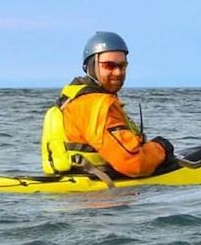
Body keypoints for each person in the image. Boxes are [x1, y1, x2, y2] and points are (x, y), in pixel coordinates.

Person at [41, 31, 174, 180]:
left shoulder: (72, 100)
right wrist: (161, 148)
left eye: (122, 66)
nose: (117, 72)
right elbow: (134, 164)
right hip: (103, 199)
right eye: (109, 65)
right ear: (91, 66)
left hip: (73, 197)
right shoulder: (97, 105)